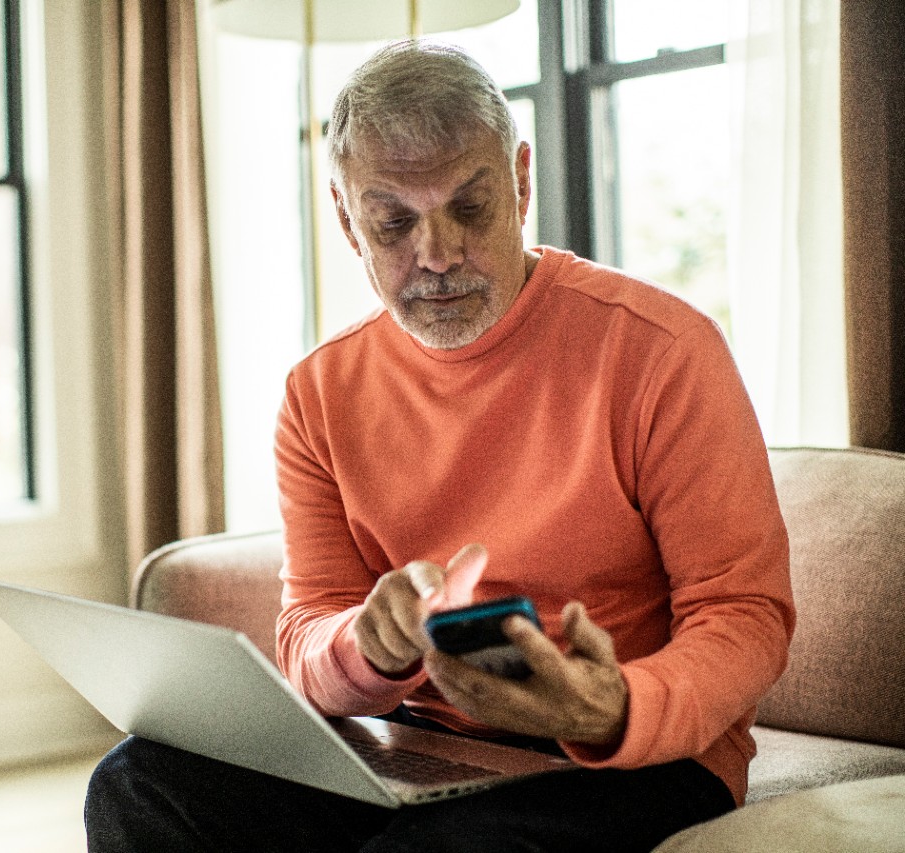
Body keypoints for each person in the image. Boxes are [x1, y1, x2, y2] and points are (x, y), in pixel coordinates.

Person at [85, 40, 795, 852]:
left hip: (631, 758)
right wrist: (366, 646)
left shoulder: (663, 350)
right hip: (425, 745)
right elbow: (307, 629)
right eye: (394, 221)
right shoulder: (319, 392)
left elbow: (747, 617)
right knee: (138, 780)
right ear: (348, 219)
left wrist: (613, 706)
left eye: (470, 207)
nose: (438, 254)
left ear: (521, 182)